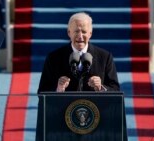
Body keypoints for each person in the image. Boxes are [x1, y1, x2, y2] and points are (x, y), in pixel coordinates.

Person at [36, 12, 127, 141]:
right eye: (76, 31)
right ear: (68, 33)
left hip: (96, 124)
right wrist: (58, 89)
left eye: (84, 32)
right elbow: (41, 92)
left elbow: (116, 91)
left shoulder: (105, 57)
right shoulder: (54, 58)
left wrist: (101, 88)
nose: (80, 36)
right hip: (63, 124)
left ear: (90, 33)